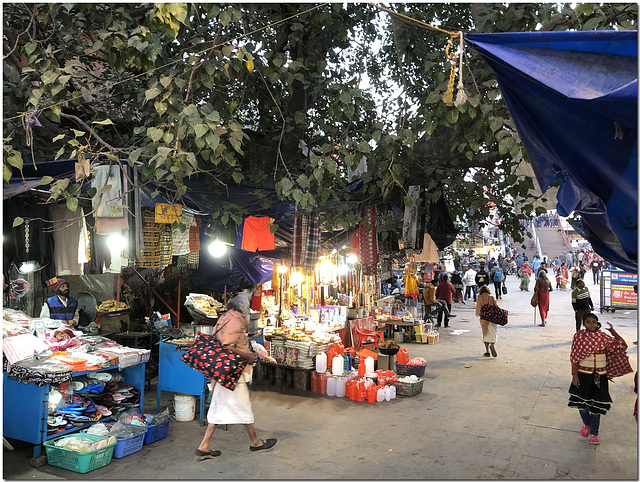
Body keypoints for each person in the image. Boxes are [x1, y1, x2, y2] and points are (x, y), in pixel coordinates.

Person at [195, 292, 277, 460]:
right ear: (242, 308)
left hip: (222, 373)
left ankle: (204, 447)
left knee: (218, 408)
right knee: (242, 407)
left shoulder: (225, 318)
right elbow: (226, 346)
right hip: (233, 374)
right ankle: (255, 442)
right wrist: (247, 356)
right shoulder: (236, 320)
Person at [568, 313, 632, 445]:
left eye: (594, 322)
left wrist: (613, 332)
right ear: (583, 324)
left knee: (596, 407)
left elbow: (622, 346)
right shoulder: (579, 337)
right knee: (582, 406)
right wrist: (574, 374)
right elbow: (575, 357)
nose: (591, 324)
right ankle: (586, 424)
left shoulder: (603, 337)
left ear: (597, 323)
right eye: (588, 322)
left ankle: (594, 434)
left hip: (600, 377)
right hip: (583, 376)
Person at [475, 285, 499, 358]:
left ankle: (487, 351)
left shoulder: (480, 298)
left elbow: (478, 311)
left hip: (484, 319)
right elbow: (497, 308)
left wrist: (480, 314)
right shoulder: (492, 298)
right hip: (492, 319)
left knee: (485, 334)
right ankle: (492, 344)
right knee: (492, 332)